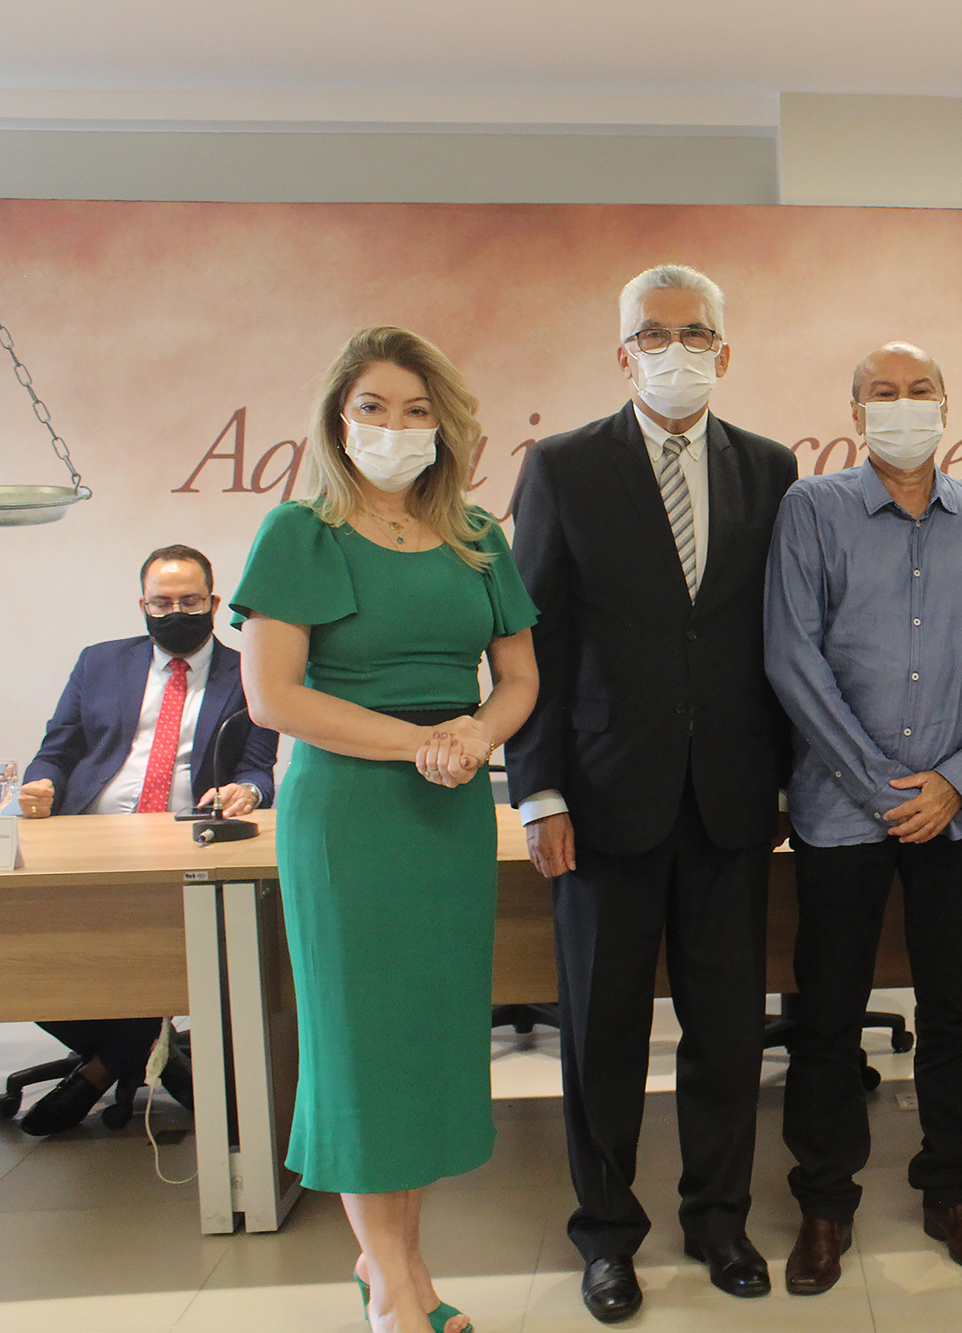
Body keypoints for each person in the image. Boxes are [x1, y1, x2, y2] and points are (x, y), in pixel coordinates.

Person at [233, 326, 540, 1333]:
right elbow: (273, 697)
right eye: (373, 406)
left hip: (448, 811)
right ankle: (398, 1289)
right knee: (360, 1046)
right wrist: (418, 743)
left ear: (444, 426)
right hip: (349, 816)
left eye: (417, 410)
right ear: (338, 417)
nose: (395, 427)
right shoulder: (300, 532)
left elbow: (519, 677)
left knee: (419, 1045)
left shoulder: (475, 534)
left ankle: (391, 1265)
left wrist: (476, 732)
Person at [507, 264, 798, 1322]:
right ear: (622, 353)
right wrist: (537, 789)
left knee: (727, 1028)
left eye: (695, 332)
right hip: (600, 799)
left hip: (732, 797)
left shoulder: (770, 467)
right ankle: (605, 1233)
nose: (676, 350)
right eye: (654, 333)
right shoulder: (562, 465)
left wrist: (789, 780)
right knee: (603, 1031)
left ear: (725, 348)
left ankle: (719, 1220)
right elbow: (532, 641)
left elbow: (779, 633)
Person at [763, 341, 962, 1295]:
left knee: (956, 1009)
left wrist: (956, 779)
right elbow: (792, 658)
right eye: (884, 392)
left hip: (956, 811)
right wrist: (881, 786)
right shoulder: (812, 509)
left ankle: (953, 1190)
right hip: (842, 810)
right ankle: (824, 1202)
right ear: (855, 411)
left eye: (921, 391)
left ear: (947, 405)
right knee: (828, 1014)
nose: (903, 405)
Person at [16, 542, 277, 1134]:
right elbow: (57, 750)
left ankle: (100, 1070)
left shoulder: (249, 672)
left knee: (171, 951)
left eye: (190, 601)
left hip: (187, 840)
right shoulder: (99, 662)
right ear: (142, 605)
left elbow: (258, 767)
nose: (175, 612)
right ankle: (154, 1056)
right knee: (29, 953)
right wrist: (41, 784)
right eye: (161, 603)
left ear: (213, 603)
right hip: (90, 836)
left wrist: (246, 792)